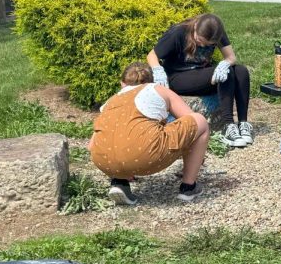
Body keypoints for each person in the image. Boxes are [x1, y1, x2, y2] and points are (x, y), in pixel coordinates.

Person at [89, 62, 211, 205]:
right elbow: (189, 119)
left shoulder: (111, 100)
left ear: (122, 83)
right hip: (145, 156)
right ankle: (188, 187)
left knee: (119, 138)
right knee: (200, 121)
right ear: (151, 81)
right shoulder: (157, 89)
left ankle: (119, 181)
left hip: (103, 161)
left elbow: (91, 145)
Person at [146, 13, 253, 147]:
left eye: (208, 44)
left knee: (241, 71)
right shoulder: (179, 32)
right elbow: (152, 55)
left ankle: (243, 123)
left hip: (200, 73)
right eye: (199, 40)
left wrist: (225, 63)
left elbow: (230, 57)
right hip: (178, 76)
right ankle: (228, 125)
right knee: (228, 73)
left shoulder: (216, 32)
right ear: (196, 27)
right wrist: (157, 70)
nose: (202, 45)